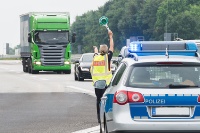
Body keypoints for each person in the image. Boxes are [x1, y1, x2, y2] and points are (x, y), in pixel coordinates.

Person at [90, 30, 114, 123]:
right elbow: (112, 47)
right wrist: (111, 37)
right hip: (106, 83)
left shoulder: (96, 57)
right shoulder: (107, 57)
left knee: (98, 100)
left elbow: (95, 52)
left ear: (100, 50)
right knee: (106, 101)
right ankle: (105, 117)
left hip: (96, 83)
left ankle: (99, 118)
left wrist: (95, 48)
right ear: (107, 50)